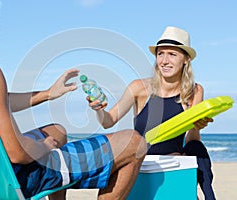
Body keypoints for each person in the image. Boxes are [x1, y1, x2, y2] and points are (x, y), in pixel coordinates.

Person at [0, 0, 147, 199]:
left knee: (58, 130)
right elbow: (18, 153)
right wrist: (47, 146)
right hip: (17, 180)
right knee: (133, 142)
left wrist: (47, 94)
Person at [88, 26, 216, 199]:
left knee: (197, 147)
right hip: (139, 161)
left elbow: (191, 139)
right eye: (160, 53)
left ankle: (210, 196)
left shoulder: (194, 91)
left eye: (172, 54)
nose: (164, 60)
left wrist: (197, 126)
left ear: (185, 59)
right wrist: (99, 109)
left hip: (172, 162)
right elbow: (108, 121)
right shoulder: (139, 88)